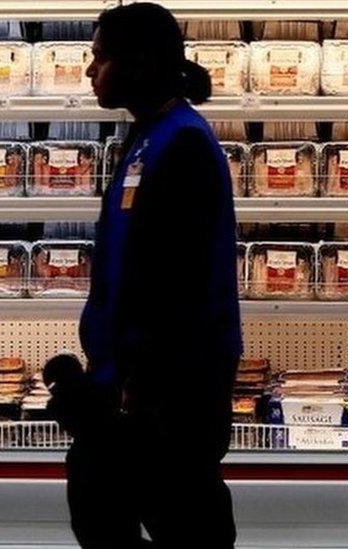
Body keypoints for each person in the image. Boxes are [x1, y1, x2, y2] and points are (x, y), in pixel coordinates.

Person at [49, 3, 243, 548]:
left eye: (99, 57)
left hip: (169, 396)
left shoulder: (182, 142)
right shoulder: (148, 136)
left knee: (185, 529)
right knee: (97, 510)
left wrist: (134, 392)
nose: (90, 70)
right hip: (134, 386)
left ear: (137, 63)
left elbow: (177, 286)